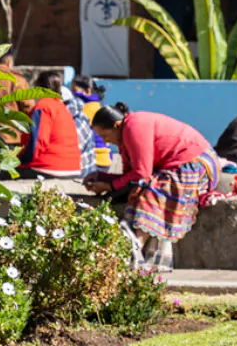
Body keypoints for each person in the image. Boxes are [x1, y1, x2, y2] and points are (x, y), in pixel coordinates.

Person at [84, 104, 222, 271]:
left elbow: (142, 174)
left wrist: (108, 185)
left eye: (105, 136)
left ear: (117, 125)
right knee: (138, 190)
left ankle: (136, 245)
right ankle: (134, 247)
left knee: (153, 191)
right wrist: (101, 176)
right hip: (175, 167)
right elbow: (131, 176)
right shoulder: (125, 137)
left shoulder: (134, 127)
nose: (106, 141)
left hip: (198, 164)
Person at [15, 73, 88, 179]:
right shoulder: (61, 106)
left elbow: (37, 142)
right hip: (73, 167)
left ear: (38, 87)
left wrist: (19, 162)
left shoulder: (43, 106)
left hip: (49, 167)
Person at [35, 71, 96, 177]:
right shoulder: (81, 114)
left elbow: (39, 142)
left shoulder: (50, 109)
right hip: (88, 169)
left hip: (81, 172)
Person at [72, 75, 112, 172]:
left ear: (87, 91)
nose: (72, 94)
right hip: (105, 161)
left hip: (93, 163)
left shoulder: (84, 109)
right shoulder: (99, 107)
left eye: (74, 90)